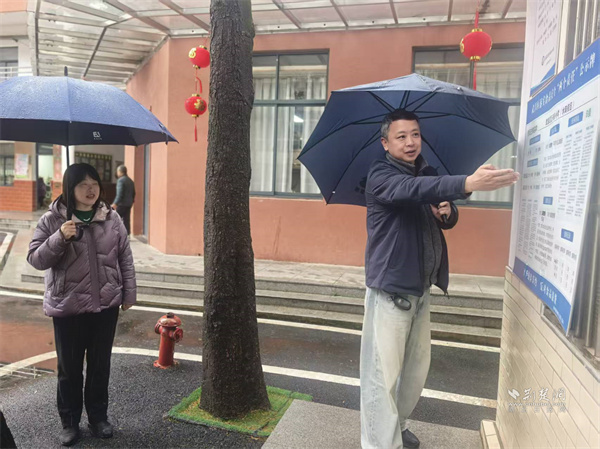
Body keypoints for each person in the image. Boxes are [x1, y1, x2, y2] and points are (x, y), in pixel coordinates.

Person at [361, 109, 519, 449]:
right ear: (385, 143)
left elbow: (435, 204)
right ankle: (379, 444)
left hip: (420, 289)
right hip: (390, 290)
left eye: (415, 134)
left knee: (414, 372)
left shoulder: (426, 173)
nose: (410, 142)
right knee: (381, 377)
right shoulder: (381, 175)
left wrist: (447, 212)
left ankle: (397, 426)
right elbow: (411, 191)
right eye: (401, 136)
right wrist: (467, 183)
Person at [27, 163, 136, 447]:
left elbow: (125, 257)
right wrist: (59, 237)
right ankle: (70, 422)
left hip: (105, 305)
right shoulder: (53, 219)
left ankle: (98, 418)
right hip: (68, 307)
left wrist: (128, 294)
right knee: (69, 369)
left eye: (94, 184)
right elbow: (36, 259)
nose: (90, 190)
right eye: (83, 184)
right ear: (69, 188)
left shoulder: (111, 218)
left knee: (100, 366)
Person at [111, 165, 135, 235]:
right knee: (127, 220)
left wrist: (115, 204)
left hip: (121, 204)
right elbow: (133, 193)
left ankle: (116, 235)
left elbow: (120, 194)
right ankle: (127, 235)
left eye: (117, 171)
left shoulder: (120, 180)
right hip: (128, 204)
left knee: (116, 220)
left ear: (120, 172)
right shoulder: (130, 181)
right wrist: (131, 201)